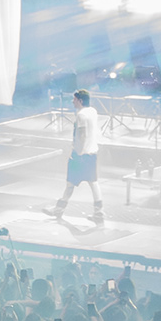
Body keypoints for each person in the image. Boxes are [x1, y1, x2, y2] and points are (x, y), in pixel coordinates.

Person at [55, 86, 106, 227]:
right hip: (92, 153)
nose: (73, 102)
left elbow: (82, 135)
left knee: (70, 183)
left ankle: (59, 209)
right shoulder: (93, 111)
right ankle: (98, 212)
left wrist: (78, 153)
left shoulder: (81, 115)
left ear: (80, 101)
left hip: (81, 155)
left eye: (75, 99)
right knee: (93, 182)